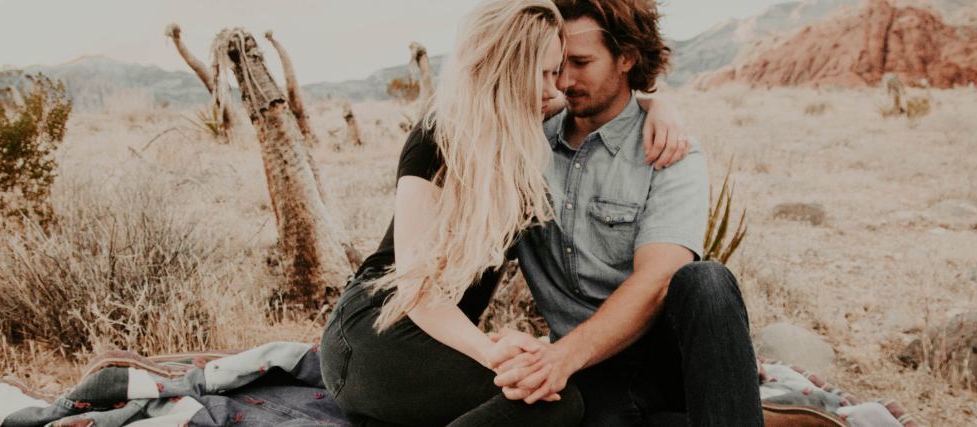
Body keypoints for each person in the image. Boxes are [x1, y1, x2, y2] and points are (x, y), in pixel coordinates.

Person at [318, 0, 690, 425]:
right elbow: (418, 294)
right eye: (547, 73)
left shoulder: (527, 132)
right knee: (556, 404)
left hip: (444, 343)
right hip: (377, 330)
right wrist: (489, 350)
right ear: (509, 69)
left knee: (551, 398)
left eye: (560, 71)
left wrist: (657, 106)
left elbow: (606, 103)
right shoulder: (438, 138)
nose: (558, 88)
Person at [492, 0, 766, 426]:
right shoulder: (525, 146)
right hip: (590, 374)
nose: (564, 80)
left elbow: (658, 280)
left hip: (661, 361)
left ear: (627, 57)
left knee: (707, 281)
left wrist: (560, 357)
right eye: (557, 64)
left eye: (581, 62)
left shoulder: (670, 150)